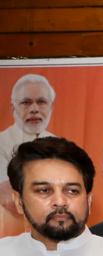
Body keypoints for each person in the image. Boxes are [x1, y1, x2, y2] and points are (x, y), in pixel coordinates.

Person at [1, 74, 57, 235]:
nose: (34, 109)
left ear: (51, 107)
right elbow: (8, 198)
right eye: (26, 102)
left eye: (41, 102)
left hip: (52, 235)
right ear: (13, 108)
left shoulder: (61, 146)